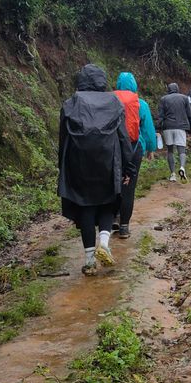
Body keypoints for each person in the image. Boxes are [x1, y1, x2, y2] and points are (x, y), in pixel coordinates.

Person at [58, 64, 136, 276]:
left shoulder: (71, 103)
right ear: (102, 80)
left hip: (78, 164)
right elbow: (123, 137)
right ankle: (104, 243)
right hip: (108, 162)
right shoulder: (114, 102)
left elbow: (63, 139)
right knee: (107, 203)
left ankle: (90, 260)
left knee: (85, 206)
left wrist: (62, 168)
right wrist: (128, 167)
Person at [112, 72, 157, 239]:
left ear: (118, 84)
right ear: (134, 85)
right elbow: (148, 130)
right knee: (128, 188)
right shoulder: (140, 104)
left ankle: (113, 218)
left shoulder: (109, 100)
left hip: (112, 149)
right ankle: (124, 227)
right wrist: (151, 148)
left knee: (113, 184)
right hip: (133, 149)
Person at [158, 82, 191, 183]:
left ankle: (173, 174)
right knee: (181, 150)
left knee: (170, 151)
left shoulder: (163, 99)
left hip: (168, 127)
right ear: (177, 89)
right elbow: (190, 115)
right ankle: (182, 167)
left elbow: (160, 116)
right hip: (180, 127)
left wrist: (158, 129)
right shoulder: (184, 98)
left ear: (168, 90)